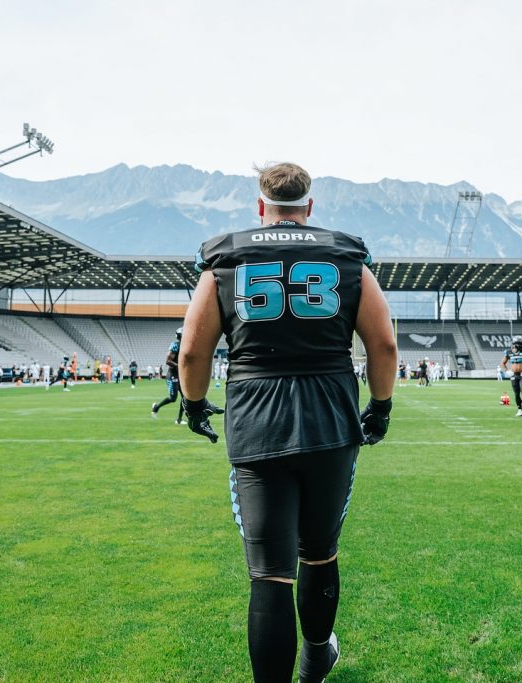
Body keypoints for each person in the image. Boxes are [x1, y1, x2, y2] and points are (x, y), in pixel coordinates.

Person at [178, 162, 397, 683]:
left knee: (270, 574)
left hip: (257, 417)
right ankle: (317, 656)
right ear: (309, 207)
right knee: (319, 555)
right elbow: (384, 343)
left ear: (260, 207)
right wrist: (381, 407)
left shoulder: (225, 257)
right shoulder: (347, 255)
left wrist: (193, 404)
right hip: (329, 416)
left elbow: (192, 351)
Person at [152, 328, 187, 424]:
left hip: (180, 375)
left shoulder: (186, 345)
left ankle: (179, 419)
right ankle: (156, 407)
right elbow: (168, 361)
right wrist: (180, 366)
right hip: (173, 375)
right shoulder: (175, 346)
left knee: (185, 398)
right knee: (173, 398)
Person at [500, 336, 522, 417]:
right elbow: (502, 363)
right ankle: (519, 410)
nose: (521, 345)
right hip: (514, 375)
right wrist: (507, 371)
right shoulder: (508, 352)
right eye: (520, 343)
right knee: (516, 394)